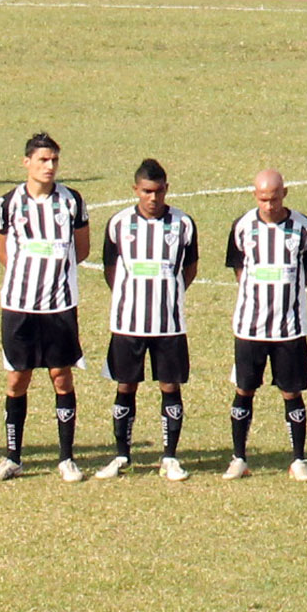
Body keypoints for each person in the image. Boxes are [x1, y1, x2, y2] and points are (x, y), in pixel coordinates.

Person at [0, 132, 91, 483]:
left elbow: (82, 249)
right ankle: (13, 457)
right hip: (19, 305)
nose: (49, 166)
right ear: (26, 162)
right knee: (17, 379)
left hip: (59, 306)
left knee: (61, 376)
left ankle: (66, 458)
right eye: (43, 160)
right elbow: (3, 253)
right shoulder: (7, 203)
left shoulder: (72, 201)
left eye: (54, 160)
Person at [98, 159, 199, 481]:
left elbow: (190, 267)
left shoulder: (183, 224)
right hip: (128, 323)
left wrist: (169, 292)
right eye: (146, 192)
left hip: (169, 323)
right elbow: (110, 269)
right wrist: (130, 295)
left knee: (170, 385)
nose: (152, 198)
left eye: (158, 192)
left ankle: (170, 457)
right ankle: (121, 455)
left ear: (166, 189)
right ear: (135, 190)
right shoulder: (119, 223)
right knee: (125, 384)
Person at [223, 169, 307, 482]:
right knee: (244, 389)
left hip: (289, 327)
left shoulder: (303, 228)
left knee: (292, 392)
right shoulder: (242, 227)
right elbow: (239, 270)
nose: (269, 205)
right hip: (250, 326)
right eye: (263, 199)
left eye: (274, 198)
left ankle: (299, 459)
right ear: (256, 196)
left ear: (285, 193)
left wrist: (285, 295)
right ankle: (239, 457)